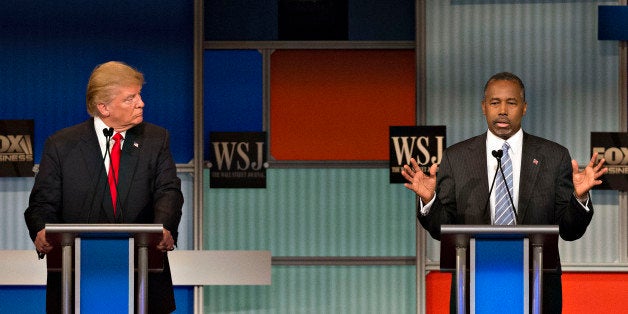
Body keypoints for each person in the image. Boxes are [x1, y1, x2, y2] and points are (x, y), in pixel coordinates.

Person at [401, 72, 607, 313]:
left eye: (511, 102)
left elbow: (570, 231)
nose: (502, 110)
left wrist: (579, 198)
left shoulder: (553, 156)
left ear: (524, 108)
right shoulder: (456, 158)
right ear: (484, 107)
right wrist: (430, 201)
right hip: (474, 291)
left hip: (538, 291)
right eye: (494, 102)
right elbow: (441, 229)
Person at [24, 61, 184, 313]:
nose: (141, 103)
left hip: (142, 274)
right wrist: (41, 229)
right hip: (74, 280)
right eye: (130, 98)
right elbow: (42, 203)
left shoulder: (156, 139)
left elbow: (169, 191)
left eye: (139, 96)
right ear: (103, 107)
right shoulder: (62, 144)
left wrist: (164, 227)